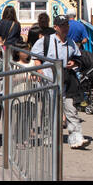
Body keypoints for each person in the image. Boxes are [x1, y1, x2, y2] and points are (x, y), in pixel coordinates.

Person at [36, 15, 88, 150]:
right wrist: (40, 72)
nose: (65, 28)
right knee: (49, 110)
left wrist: (74, 62)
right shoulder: (45, 41)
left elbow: (78, 57)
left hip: (66, 82)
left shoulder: (71, 43)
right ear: (55, 27)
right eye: (62, 26)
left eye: (67, 25)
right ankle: (48, 136)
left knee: (71, 110)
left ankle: (76, 137)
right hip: (49, 81)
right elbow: (36, 57)